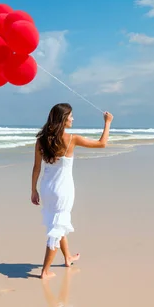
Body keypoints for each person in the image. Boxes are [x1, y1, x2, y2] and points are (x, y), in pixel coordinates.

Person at [31, 103, 113, 279]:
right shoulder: (72, 139)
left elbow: (36, 167)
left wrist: (33, 190)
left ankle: (67, 257)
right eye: (71, 116)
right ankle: (45, 271)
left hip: (46, 188)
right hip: (63, 189)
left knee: (57, 221)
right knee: (57, 227)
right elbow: (102, 144)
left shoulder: (41, 140)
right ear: (63, 119)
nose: (73, 119)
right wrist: (107, 122)